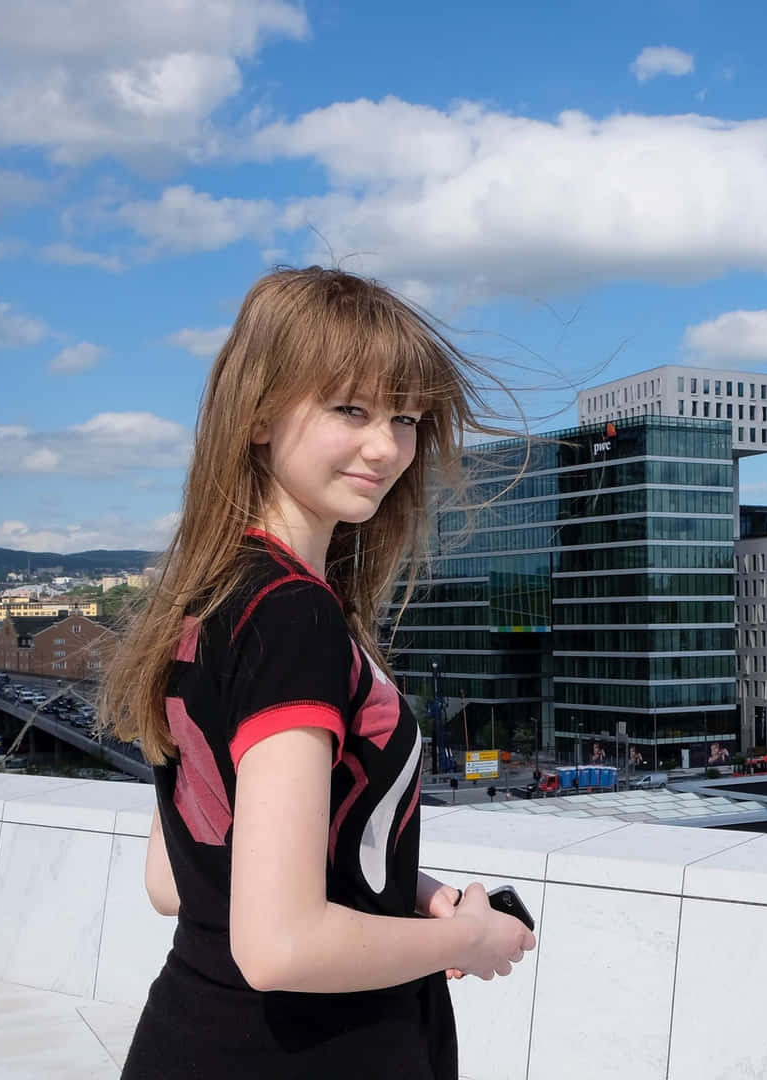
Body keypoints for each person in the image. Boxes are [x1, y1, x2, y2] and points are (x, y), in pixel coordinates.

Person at [101, 267, 537, 1079]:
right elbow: (280, 944)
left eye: (406, 417)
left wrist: (410, 892)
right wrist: (467, 939)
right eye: (352, 409)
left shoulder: (199, 599)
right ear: (260, 413)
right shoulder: (293, 617)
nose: (388, 446)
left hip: (193, 1032)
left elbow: (179, 879)